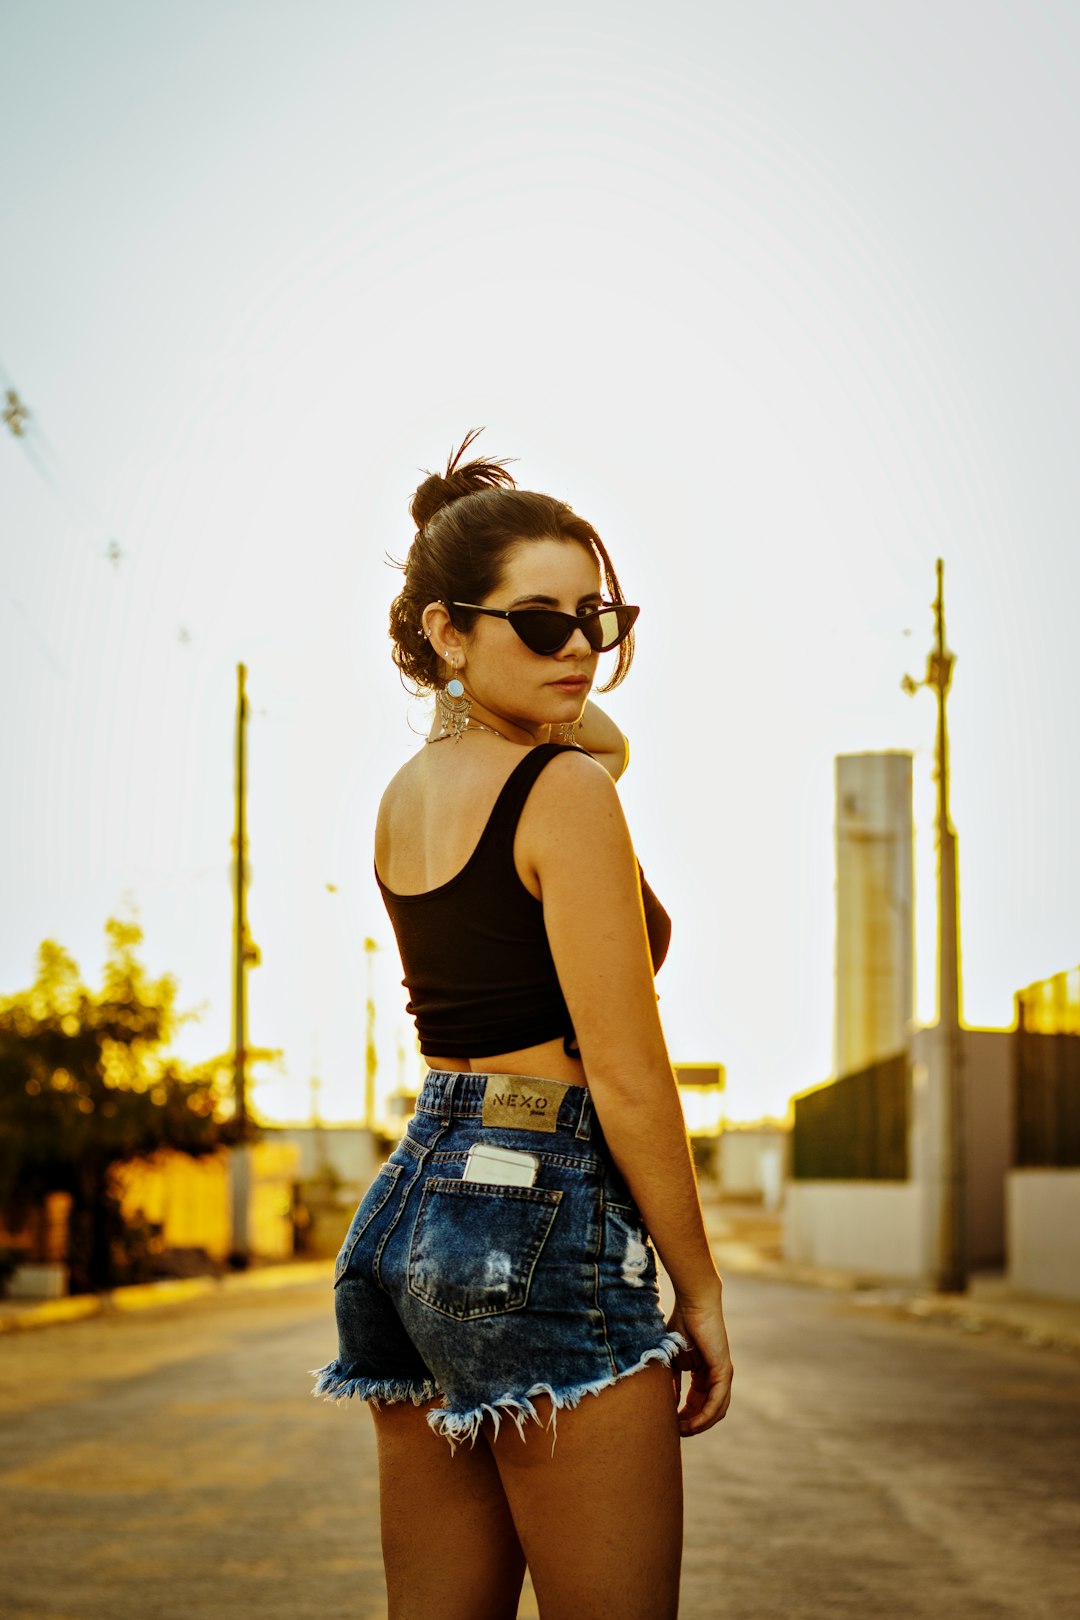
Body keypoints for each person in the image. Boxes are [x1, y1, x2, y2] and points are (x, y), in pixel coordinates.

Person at [312, 431, 733, 1620]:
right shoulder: (564, 795)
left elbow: (591, 733)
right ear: (447, 631)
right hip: (539, 1205)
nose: (582, 650)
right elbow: (631, 1075)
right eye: (539, 623)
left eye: (598, 619)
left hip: (414, 1206)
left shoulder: (408, 796)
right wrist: (697, 1291)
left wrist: (580, 726)